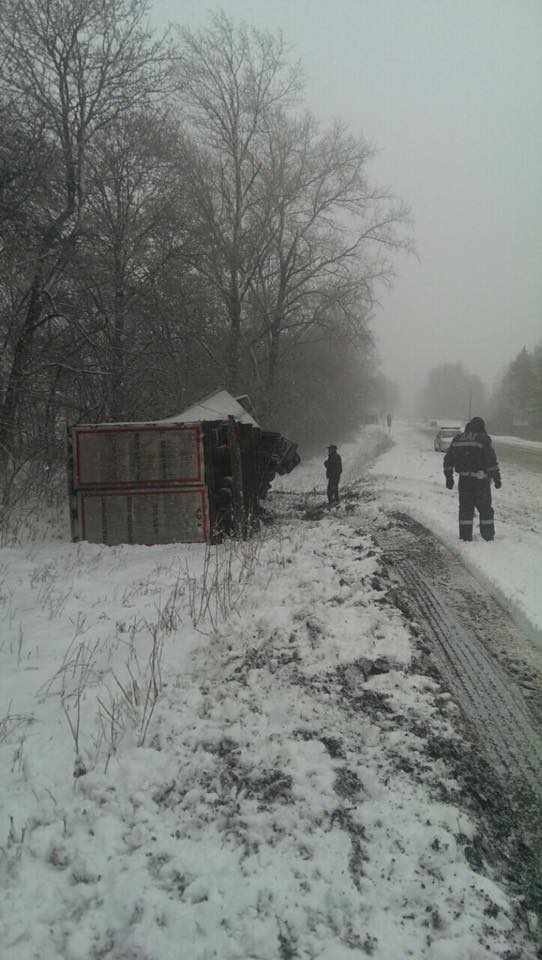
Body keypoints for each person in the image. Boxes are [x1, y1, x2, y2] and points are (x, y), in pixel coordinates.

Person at [443, 416, 502, 541]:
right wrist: (497, 478)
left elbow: (448, 460)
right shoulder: (483, 439)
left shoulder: (458, 439)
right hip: (481, 481)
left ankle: (465, 537)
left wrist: (449, 477)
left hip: (464, 480)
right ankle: (487, 536)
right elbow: (490, 461)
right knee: (485, 508)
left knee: (465, 509)